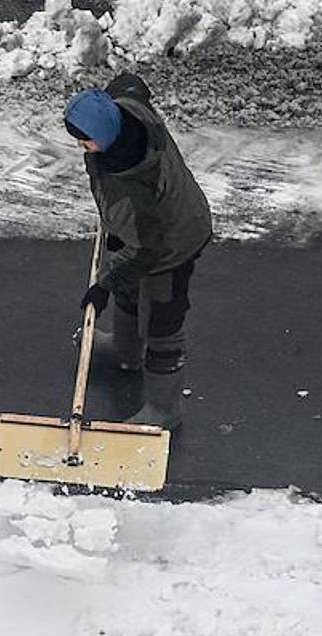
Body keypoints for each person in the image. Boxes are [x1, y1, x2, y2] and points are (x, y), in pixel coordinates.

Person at [63, 73, 212, 430]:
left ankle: (164, 408)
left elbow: (146, 251)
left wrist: (104, 285)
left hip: (172, 243)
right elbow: (131, 83)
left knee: (163, 318)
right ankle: (125, 352)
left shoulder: (132, 192)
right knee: (130, 291)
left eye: (85, 140)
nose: (81, 145)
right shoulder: (129, 109)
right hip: (139, 233)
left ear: (104, 136)